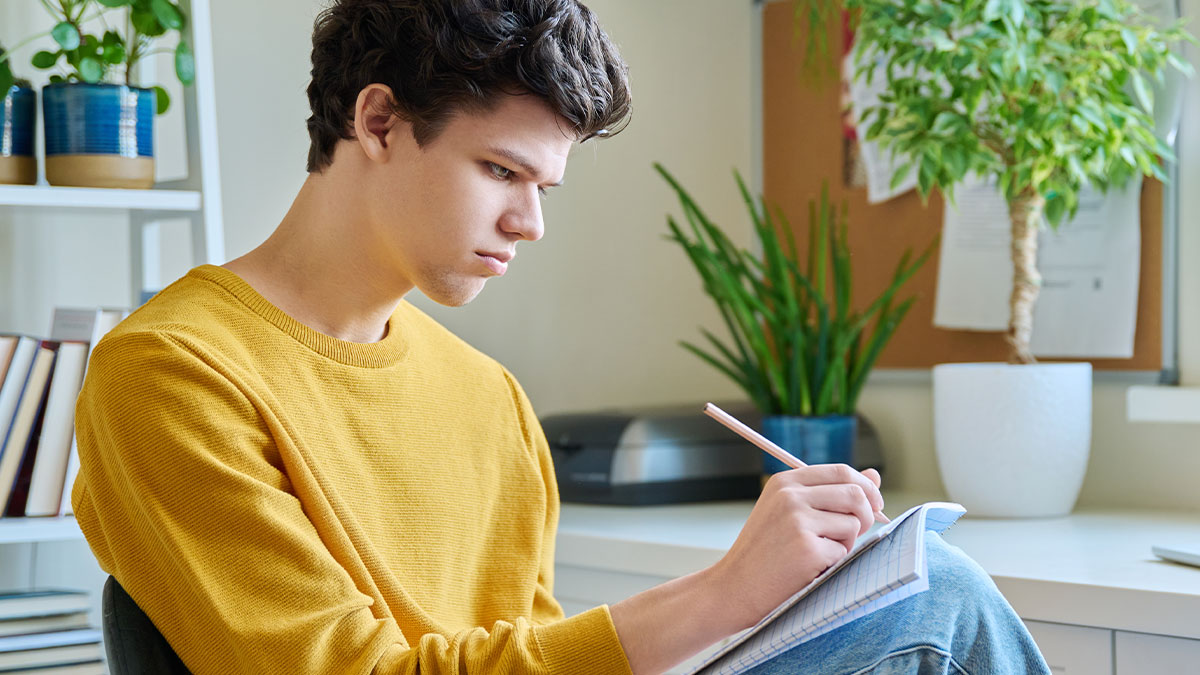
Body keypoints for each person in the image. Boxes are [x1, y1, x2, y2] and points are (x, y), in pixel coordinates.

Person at [71, 0, 1052, 673]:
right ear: (377, 120)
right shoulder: (173, 370)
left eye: (544, 189)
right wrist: (721, 595)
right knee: (943, 609)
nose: (530, 223)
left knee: (920, 589)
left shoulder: (484, 395)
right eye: (502, 172)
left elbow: (530, 650)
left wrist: (771, 596)